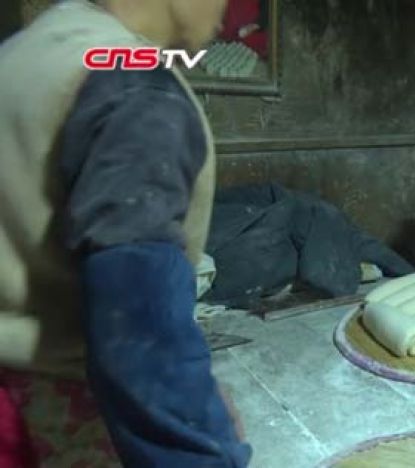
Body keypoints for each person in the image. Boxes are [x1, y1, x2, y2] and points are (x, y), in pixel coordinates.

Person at [0, 0, 251, 465]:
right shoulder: (135, 86)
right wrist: (199, 444)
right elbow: (138, 327)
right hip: (45, 419)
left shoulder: (23, 54)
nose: (226, 11)